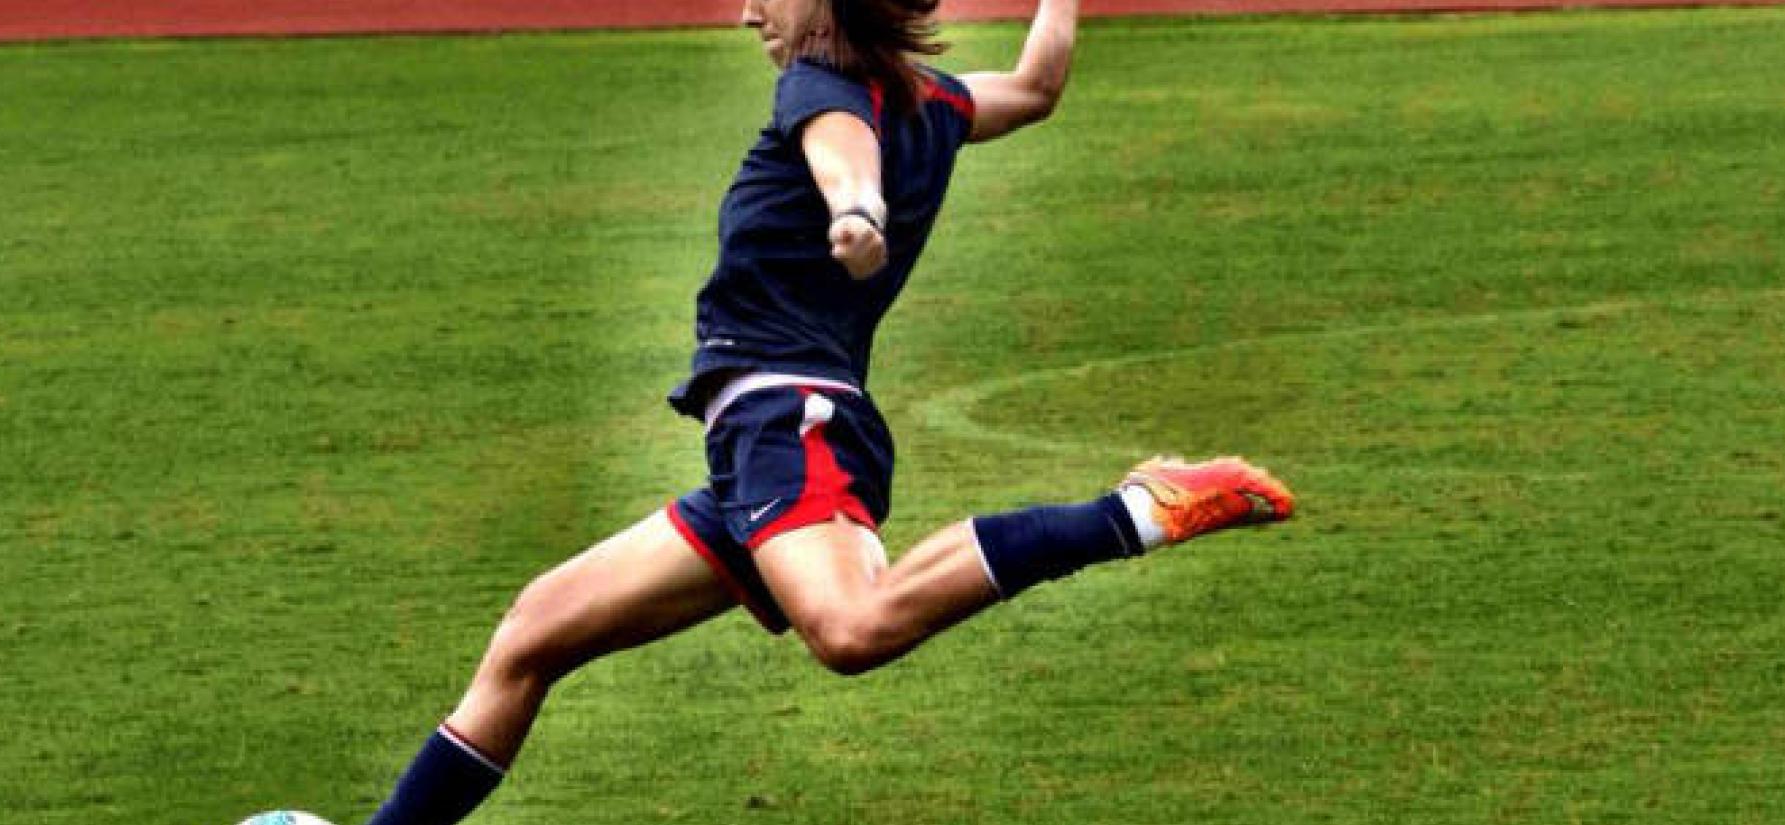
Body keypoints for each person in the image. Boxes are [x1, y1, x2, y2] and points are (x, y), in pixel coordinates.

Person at [361, 0, 1293, 822]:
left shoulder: (822, 84)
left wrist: (859, 214)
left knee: (852, 627)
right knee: (534, 633)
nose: (746, 15)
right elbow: (1036, 87)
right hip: (761, 441)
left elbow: (842, 161)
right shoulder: (934, 104)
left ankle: (1134, 511)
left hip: (786, 417)